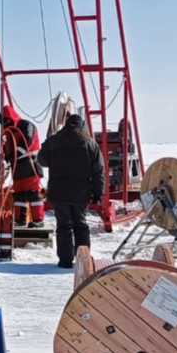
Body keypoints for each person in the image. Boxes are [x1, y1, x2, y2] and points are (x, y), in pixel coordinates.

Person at [37, 111, 104, 269]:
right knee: (80, 225)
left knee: (63, 226)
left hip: (59, 191)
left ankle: (65, 261)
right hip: (81, 192)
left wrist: (55, 161)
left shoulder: (53, 141)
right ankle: (83, 260)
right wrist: (98, 193)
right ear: (82, 126)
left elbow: (41, 159)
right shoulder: (90, 143)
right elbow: (98, 171)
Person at [0, 104, 45, 227]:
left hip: (30, 165)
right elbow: (8, 148)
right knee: (19, 194)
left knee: (33, 193)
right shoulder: (9, 132)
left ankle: (38, 220)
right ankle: (19, 220)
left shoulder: (26, 125)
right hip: (17, 167)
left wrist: (13, 155)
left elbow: (26, 142)